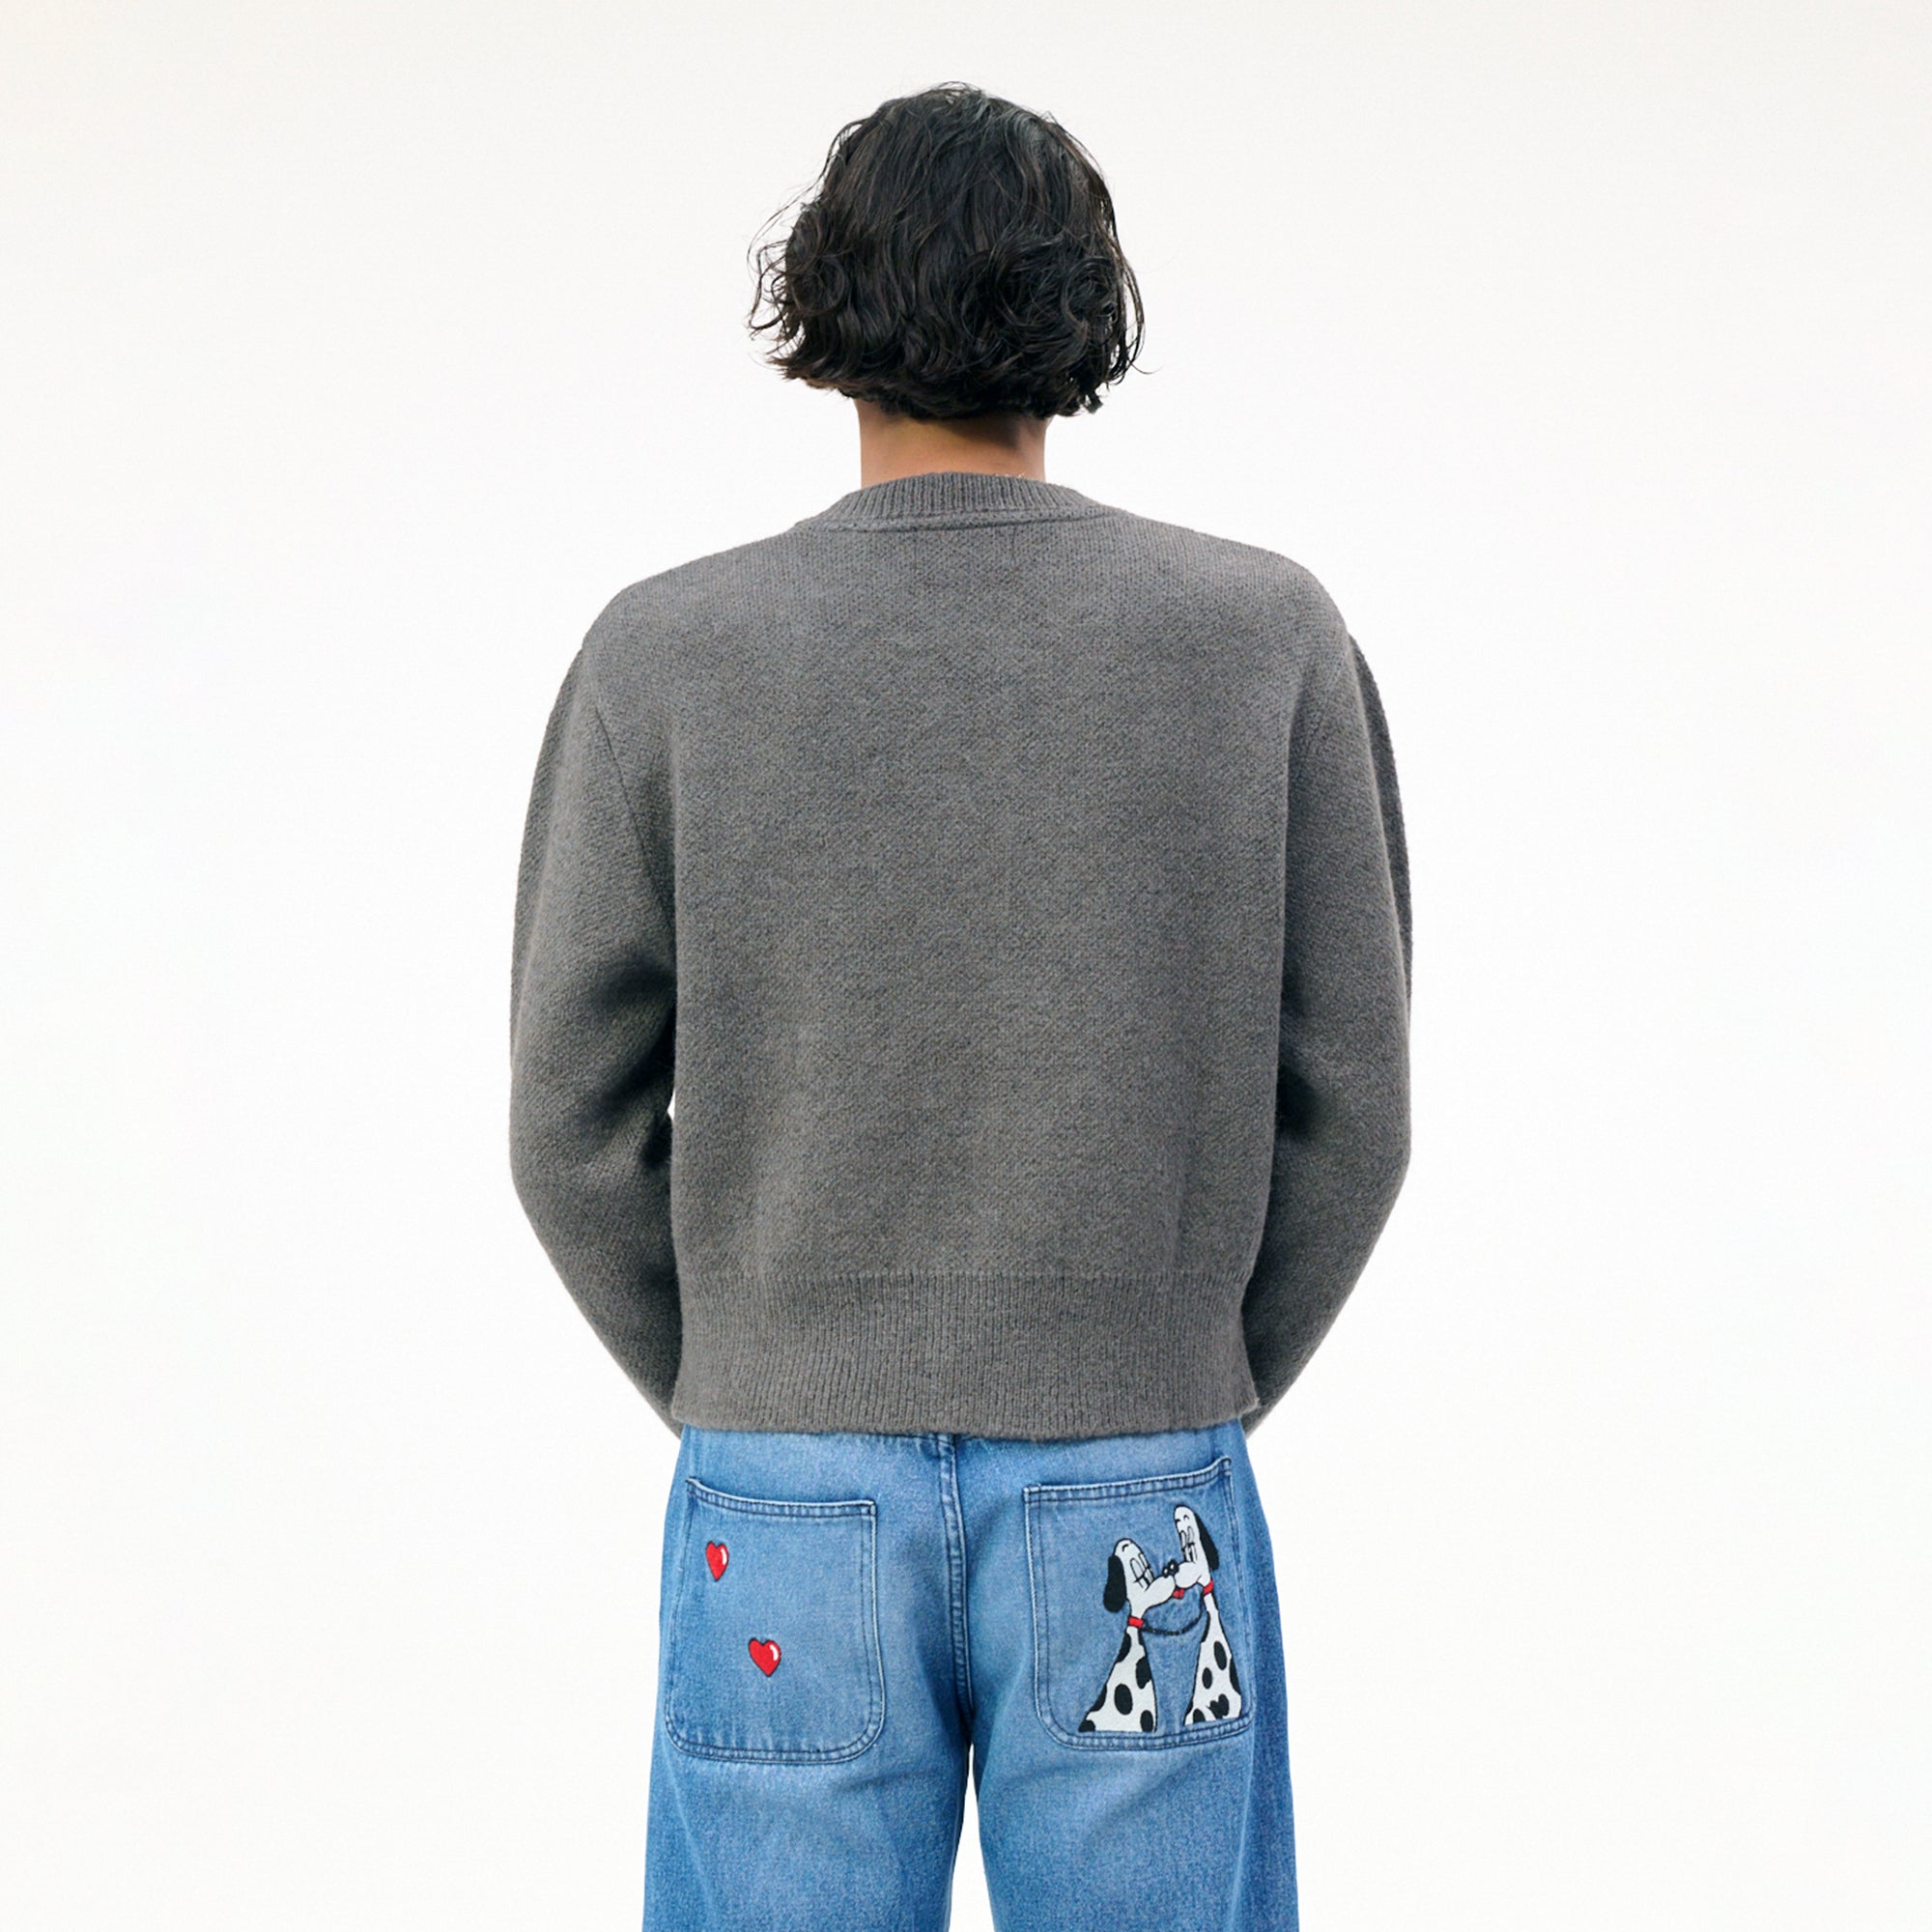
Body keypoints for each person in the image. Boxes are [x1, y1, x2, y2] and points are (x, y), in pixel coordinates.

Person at [508, 80, 1410, 1932]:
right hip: (1138, 1478)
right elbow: (1356, 1108)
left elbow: (564, 1130)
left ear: (822, 305)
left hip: (784, 1496)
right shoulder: (1261, 637)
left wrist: (752, 1375)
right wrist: (1181, 1363)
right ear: (1086, 312)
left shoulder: (663, 654)